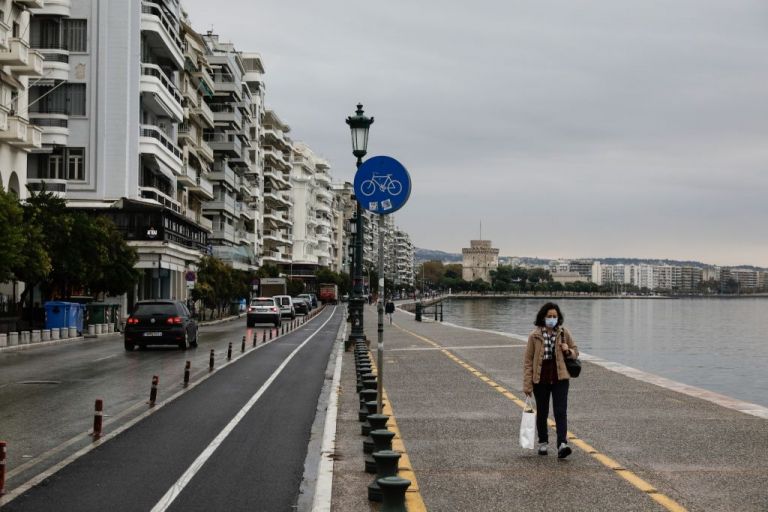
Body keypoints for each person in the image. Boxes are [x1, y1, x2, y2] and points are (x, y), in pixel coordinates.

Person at [523, 302, 579, 458]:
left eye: (555, 316)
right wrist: (527, 384)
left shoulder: (564, 333)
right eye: (549, 316)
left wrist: (568, 350)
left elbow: (576, 352)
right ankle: (543, 442)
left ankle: (562, 443)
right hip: (540, 378)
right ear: (543, 317)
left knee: (561, 411)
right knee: (542, 412)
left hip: (560, 377)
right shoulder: (534, 336)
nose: (552, 319)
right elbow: (528, 361)